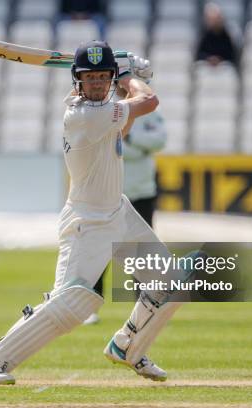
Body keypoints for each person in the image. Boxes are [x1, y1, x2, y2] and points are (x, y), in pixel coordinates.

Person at [0, 40, 186, 385]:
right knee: (72, 305)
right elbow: (149, 101)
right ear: (78, 81)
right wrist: (129, 74)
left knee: (170, 283)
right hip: (87, 221)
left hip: (118, 210)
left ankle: (127, 347)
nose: (98, 84)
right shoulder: (85, 115)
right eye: (91, 78)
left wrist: (125, 78)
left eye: (104, 77)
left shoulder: (106, 112)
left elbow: (125, 125)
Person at [85, 74, 167, 326]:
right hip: (112, 190)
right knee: (100, 248)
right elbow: (110, 144)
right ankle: (89, 306)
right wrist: (134, 143)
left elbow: (159, 140)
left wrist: (129, 138)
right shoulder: (109, 106)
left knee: (141, 252)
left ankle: (142, 307)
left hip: (142, 189)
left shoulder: (146, 111)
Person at [195, 2, 238, 68]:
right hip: (207, 67)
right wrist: (209, 59)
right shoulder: (204, 35)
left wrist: (219, 60)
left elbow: (232, 55)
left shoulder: (227, 35)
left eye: (216, 19)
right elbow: (199, 55)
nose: (214, 21)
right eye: (211, 19)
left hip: (223, 67)